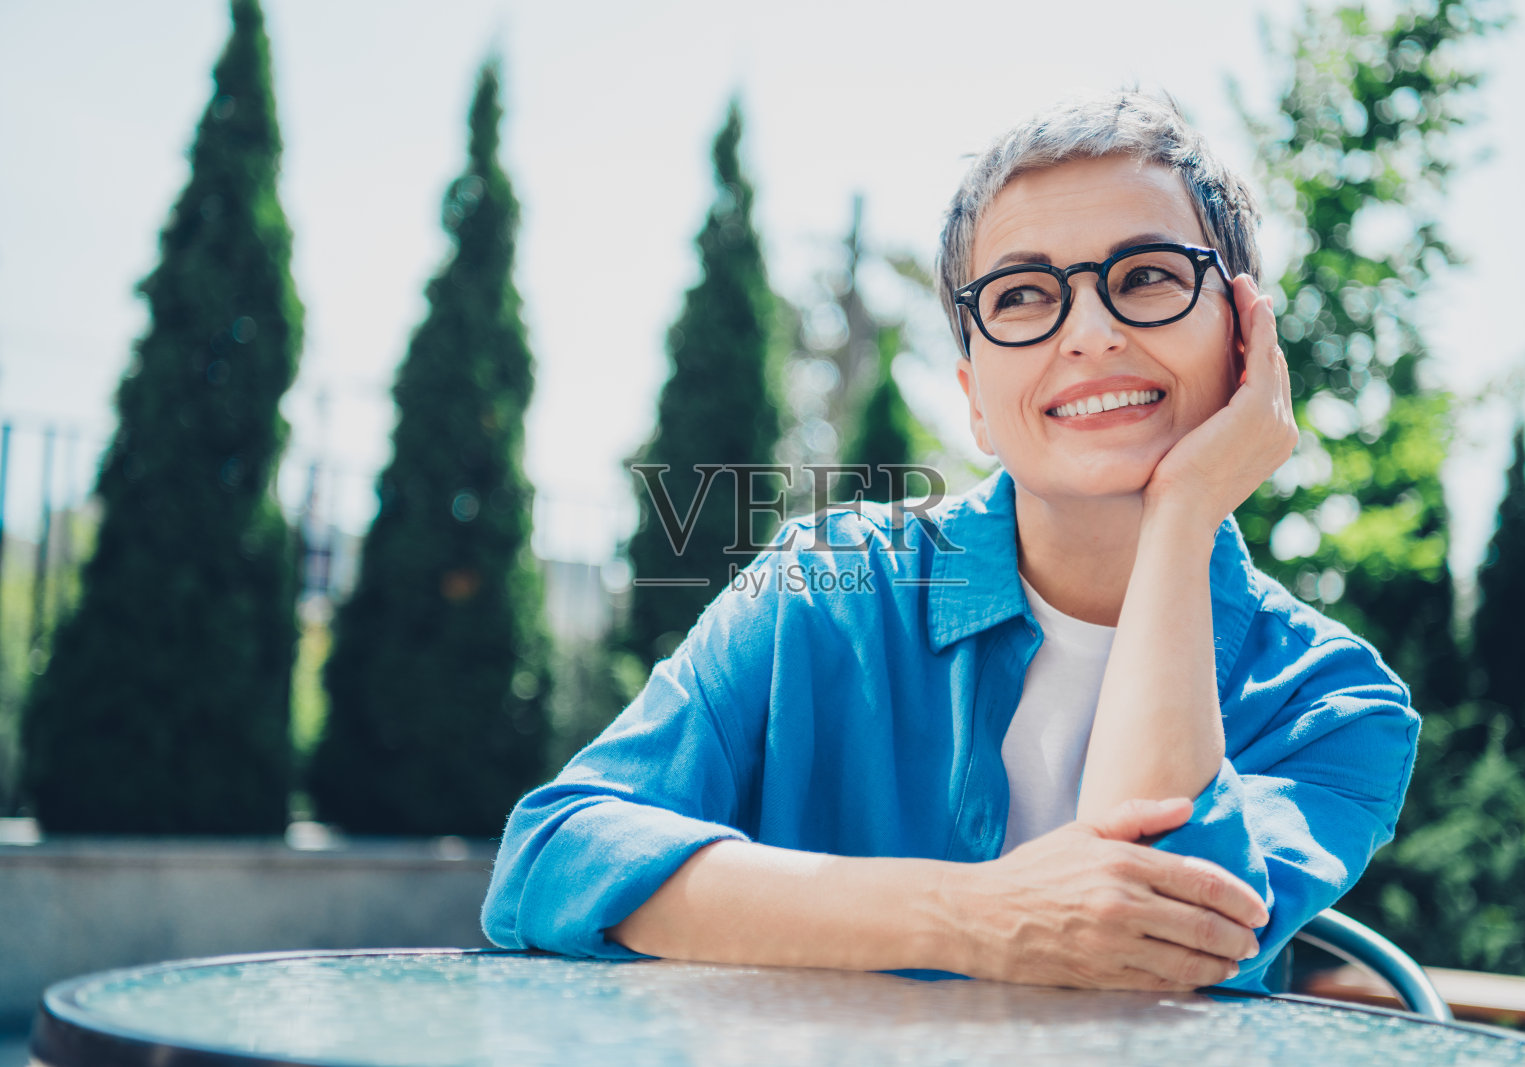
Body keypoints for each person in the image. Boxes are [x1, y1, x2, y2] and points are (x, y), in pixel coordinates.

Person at [482, 90, 1419, 994]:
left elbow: (1157, 948)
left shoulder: (1331, 704)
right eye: (1022, 295)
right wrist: (971, 914)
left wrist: (1184, 513)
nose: (1091, 333)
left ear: (1249, 344)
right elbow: (554, 857)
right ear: (974, 399)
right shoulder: (825, 590)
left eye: (1146, 277)